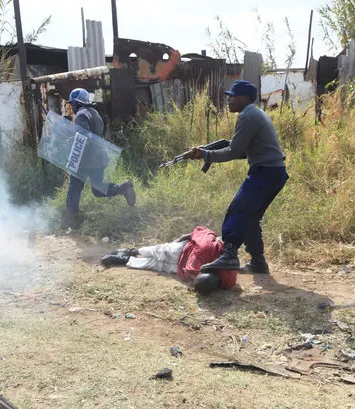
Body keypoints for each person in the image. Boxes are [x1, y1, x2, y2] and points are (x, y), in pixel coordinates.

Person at [192, 80, 288, 274]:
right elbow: (245, 150)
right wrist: (209, 151)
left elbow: (234, 151)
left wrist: (206, 155)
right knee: (251, 219)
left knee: (238, 210)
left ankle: (229, 255)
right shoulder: (256, 113)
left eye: (232, 97)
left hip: (265, 172)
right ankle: (258, 263)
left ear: (244, 98)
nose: (229, 101)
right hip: (275, 173)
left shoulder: (247, 115)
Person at [63, 88, 136, 228]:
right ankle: (123, 188)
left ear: (76, 103)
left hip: (86, 159)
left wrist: (70, 142)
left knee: (74, 187)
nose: (71, 107)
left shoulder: (80, 115)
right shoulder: (95, 114)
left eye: (72, 104)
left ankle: (71, 221)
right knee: (98, 189)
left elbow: (83, 137)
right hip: (100, 157)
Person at [100, 226, 237, 294]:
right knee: (158, 251)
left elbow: (207, 284)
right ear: (204, 269)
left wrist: (199, 286)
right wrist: (187, 236)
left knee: (156, 265)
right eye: (195, 278)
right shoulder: (205, 248)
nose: (192, 280)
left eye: (193, 279)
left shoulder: (227, 280)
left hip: (180, 268)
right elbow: (205, 233)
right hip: (184, 250)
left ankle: (125, 260)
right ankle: (132, 251)